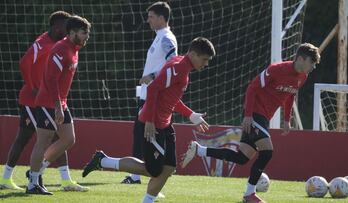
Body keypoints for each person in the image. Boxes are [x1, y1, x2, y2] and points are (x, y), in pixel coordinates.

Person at [181, 43, 320, 203]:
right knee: (267, 152)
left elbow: (290, 96)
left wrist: (287, 119)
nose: (313, 67)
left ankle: (199, 150)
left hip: (264, 118)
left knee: (241, 158)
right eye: (312, 62)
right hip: (254, 113)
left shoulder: (303, 77)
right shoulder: (276, 69)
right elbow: (252, 88)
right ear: (301, 58)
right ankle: (249, 194)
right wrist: (248, 115)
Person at [82, 37, 216, 203]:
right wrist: (150, 121)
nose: (206, 64)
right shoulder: (178, 67)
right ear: (193, 54)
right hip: (154, 123)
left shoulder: (183, 66)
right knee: (154, 170)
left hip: (165, 122)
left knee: (169, 167)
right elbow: (152, 88)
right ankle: (103, 161)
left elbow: (169, 98)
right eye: (204, 60)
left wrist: (190, 114)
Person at [0, 11, 85, 192]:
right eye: (65, 26)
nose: (66, 29)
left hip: (56, 100)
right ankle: (14, 178)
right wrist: (33, 86)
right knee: (28, 138)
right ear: (58, 27)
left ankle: (57, 178)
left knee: (63, 138)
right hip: (36, 99)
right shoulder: (44, 44)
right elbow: (24, 63)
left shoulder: (68, 47)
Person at [25, 15, 91, 195]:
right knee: (43, 141)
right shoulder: (60, 49)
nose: (87, 36)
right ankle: (32, 184)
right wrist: (57, 106)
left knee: (69, 139)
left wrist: (61, 104)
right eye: (83, 33)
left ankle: (36, 171)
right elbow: (51, 79)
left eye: (87, 33)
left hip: (60, 101)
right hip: (49, 102)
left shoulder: (74, 48)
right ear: (71, 33)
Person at [121, 1, 178, 186]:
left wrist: (153, 76)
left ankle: (142, 177)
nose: (148, 20)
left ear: (162, 18)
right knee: (141, 135)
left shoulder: (167, 38)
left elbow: (173, 63)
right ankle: (140, 177)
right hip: (147, 96)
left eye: (151, 17)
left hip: (153, 98)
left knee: (146, 136)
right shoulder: (159, 36)